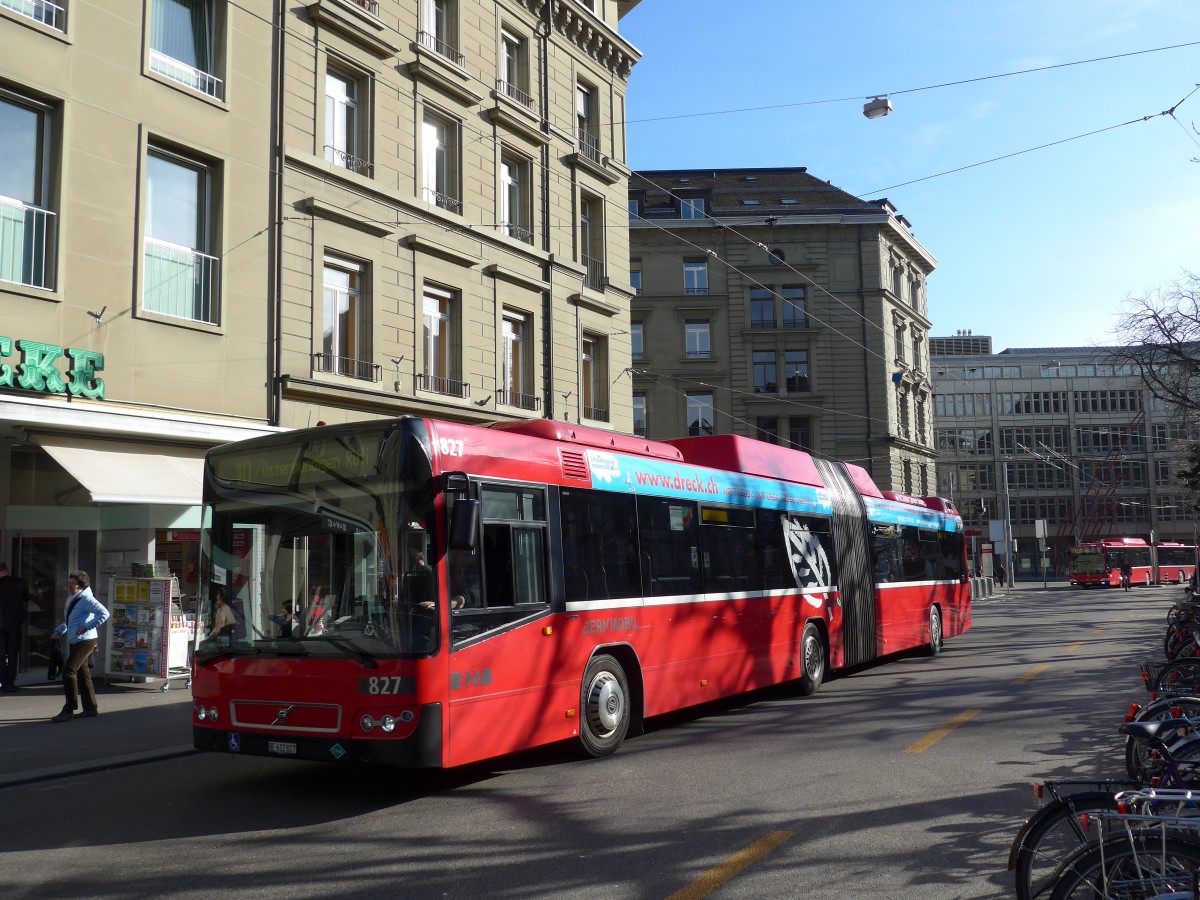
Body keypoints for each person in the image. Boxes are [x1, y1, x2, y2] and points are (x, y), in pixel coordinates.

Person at [50, 571, 110, 723]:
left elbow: (104, 613)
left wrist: (86, 627)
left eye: (73, 585)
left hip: (86, 640)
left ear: (82, 586)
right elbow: (72, 620)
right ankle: (90, 708)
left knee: (69, 670)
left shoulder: (86, 599)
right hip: (77, 639)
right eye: (69, 584)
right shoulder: (73, 597)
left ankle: (69, 709)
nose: (69, 587)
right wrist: (60, 630)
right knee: (83, 675)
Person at [0, 562, 29, 693]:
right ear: (7, 570)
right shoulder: (19, 583)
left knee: (1, 654)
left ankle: (2, 681)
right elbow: (26, 598)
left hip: (1, 623)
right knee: (12, 654)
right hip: (15, 623)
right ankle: (10, 682)